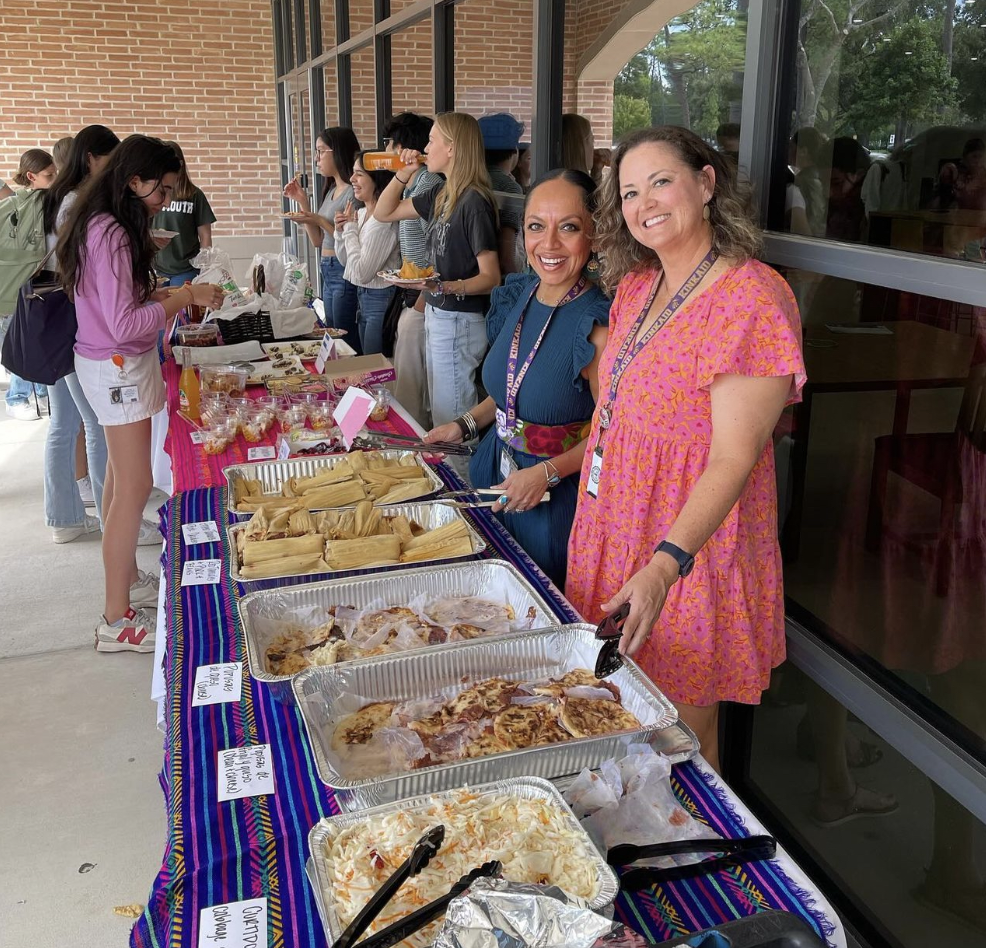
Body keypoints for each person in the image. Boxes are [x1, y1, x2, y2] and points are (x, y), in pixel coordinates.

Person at [565, 126, 806, 772]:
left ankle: (699, 864)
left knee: (682, 738)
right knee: (614, 709)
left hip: (689, 546)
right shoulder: (637, 288)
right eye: (630, 191)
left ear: (706, 184)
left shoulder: (751, 298)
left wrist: (666, 565)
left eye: (661, 182)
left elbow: (736, 455)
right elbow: (616, 410)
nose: (645, 202)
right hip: (615, 524)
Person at [58, 135, 224, 651]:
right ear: (135, 180)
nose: (165, 200)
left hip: (111, 363)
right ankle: (115, 620)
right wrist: (182, 297)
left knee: (120, 484)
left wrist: (159, 291)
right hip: (117, 367)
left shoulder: (104, 224)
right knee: (134, 486)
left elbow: (121, 301)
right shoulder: (108, 231)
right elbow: (127, 322)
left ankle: (127, 580)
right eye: (163, 188)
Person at [423, 170, 609, 586]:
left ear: (594, 235)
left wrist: (547, 473)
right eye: (536, 227)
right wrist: (463, 424)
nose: (550, 244)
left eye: (569, 227)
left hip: (551, 501)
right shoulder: (520, 293)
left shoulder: (597, 324)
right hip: (494, 470)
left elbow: (612, 435)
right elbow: (514, 389)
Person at [42, 125, 144, 546]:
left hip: (67, 320)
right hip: (77, 324)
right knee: (92, 424)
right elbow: (117, 315)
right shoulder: (82, 208)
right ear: (92, 159)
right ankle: (113, 523)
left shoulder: (62, 199)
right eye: (112, 158)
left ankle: (70, 514)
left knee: (68, 421)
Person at [374, 112, 500, 426]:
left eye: (432, 141)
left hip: (460, 319)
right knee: (441, 410)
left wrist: (443, 287)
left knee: (452, 413)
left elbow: (491, 277)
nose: (426, 147)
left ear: (453, 148)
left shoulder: (474, 202)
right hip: (438, 311)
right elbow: (383, 212)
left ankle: (462, 476)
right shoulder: (441, 194)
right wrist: (402, 174)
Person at [383, 112, 443, 428]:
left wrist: (422, 303)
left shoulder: (429, 182)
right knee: (409, 380)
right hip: (415, 293)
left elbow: (438, 246)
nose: (389, 152)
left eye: (390, 145)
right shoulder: (413, 181)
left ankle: (413, 443)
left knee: (413, 385)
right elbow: (384, 212)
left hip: (428, 298)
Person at [283, 127, 361, 338]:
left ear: (337, 151)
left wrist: (317, 219)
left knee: (344, 334)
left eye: (320, 151)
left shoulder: (354, 193)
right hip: (326, 268)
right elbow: (318, 241)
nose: (316, 159)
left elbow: (350, 237)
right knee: (332, 331)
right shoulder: (331, 190)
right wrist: (302, 202)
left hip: (343, 268)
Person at [2, 149, 57, 420]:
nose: (55, 179)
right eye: (49, 175)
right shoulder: (41, 204)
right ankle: (17, 399)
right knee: (25, 350)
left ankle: (35, 397)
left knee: (29, 347)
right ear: (31, 176)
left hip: (18, 293)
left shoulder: (13, 205)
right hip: (19, 296)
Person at [334, 153, 401, 356]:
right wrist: (340, 232)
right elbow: (348, 263)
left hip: (381, 299)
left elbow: (362, 272)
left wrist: (351, 230)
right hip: (363, 297)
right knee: (369, 364)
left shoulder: (383, 220)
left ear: (377, 179)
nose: (352, 179)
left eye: (359, 174)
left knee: (376, 369)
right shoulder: (361, 213)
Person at [153, 141, 216, 286]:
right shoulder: (154, 195)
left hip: (186, 268)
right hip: (157, 269)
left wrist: (205, 267)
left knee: (181, 306)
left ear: (180, 165)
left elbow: (205, 235)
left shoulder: (194, 195)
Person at [478, 113, 525, 276]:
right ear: (514, 150)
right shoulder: (509, 187)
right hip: (498, 278)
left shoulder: (472, 180)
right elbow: (507, 253)